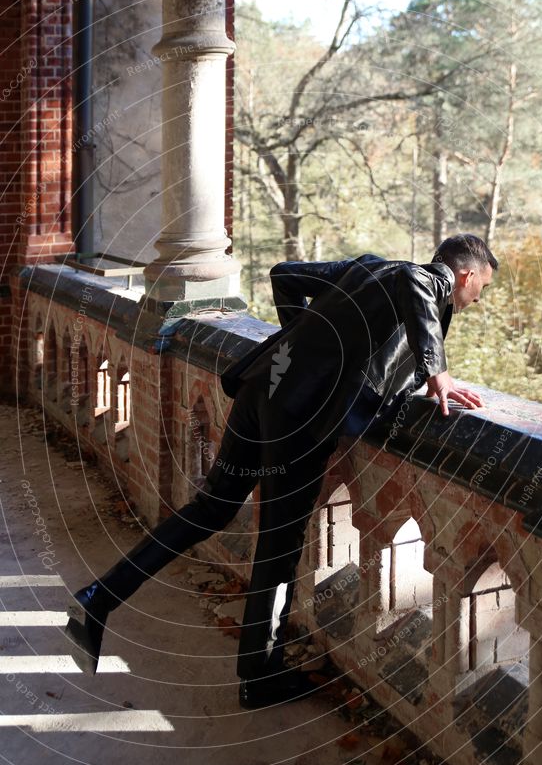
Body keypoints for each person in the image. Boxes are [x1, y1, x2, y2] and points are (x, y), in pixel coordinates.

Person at [65, 233, 496, 708]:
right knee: (278, 544)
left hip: (261, 390)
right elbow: (419, 283)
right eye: (482, 288)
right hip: (298, 422)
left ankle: (97, 600)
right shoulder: (422, 279)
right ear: (465, 275)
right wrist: (439, 372)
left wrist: (306, 350)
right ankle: (259, 676)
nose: (478, 300)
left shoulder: (366, 267)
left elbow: (285, 275)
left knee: (208, 509)